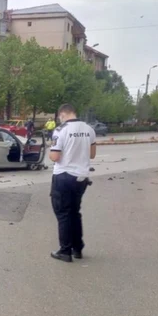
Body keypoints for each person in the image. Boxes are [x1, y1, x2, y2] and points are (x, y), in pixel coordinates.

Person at [48, 103, 96, 263]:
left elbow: (55, 157)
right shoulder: (89, 129)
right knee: (75, 212)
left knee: (63, 214)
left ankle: (65, 251)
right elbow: (92, 154)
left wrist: (51, 150)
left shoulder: (61, 130)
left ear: (62, 115)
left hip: (63, 176)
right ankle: (77, 248)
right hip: (81, 177)